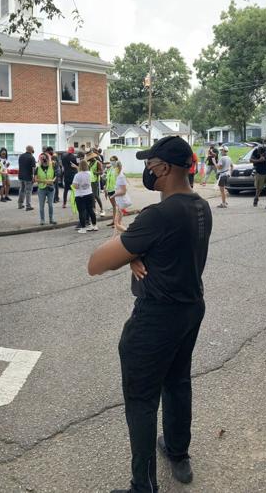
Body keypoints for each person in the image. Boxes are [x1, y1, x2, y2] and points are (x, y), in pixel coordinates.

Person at [87, 136, 212, 493]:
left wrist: (129, 250)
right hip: (190, 308)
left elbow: (96, 264)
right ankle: (177, 450)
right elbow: (173, 248)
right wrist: (137, 253)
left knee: (141, 401)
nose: (148, 171)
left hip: (156, 318)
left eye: (151, 165)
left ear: (166, 169)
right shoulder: (201, 206)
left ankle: (143, 486)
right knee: (177, 382)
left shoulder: (158, 215)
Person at [72, 159, 97, 233]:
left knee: (81, 212)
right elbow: (91, 181)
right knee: (91, 210)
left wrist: (75, 185)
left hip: (80, 195)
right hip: (89, 194)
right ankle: (94, 225)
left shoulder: (77, 175)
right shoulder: (89, 173)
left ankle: (83, 228)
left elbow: (75, 186)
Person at [34, 151, 57, 225]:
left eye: (44, 158)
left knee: (50, 205)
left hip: (50, 188)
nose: (43, 160)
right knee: (41, 206)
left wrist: (52, 180)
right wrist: (44, 181)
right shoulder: (38, 168)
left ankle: (51, 219)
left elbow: (55, 176)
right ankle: (42, 220)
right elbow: (35, 179)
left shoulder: (52, 166)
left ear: (48, 159)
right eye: (41, 158)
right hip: (41, 189)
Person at [109, 161, 131, 231]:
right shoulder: (118, 176)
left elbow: (123, 191)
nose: (113, 170)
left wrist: (113, 195)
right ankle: (115, 236)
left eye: (114, 168)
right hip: (119, 202)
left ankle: (128, 233)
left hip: (121, 201)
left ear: (117, 168)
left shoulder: (121, 177)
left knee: (117, 223)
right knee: (118, 223)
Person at [251, 146, 266, 210]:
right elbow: (251, 160)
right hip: (260, 172)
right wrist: (259, 160)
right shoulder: (256, 150)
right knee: (259, 188)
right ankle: (256, 197)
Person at [16, 145, 36, 210]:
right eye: (33, 149)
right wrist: (34, 176)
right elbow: (33, 168)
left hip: (21, 176)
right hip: (28, 177)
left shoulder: (21, 156)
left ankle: (20, 204)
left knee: (22, 190)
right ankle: (28, 206)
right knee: (28, 191)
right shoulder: (31, 157)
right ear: (31, 150)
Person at [87, 152, 105, 216]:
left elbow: (101, 172)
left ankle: (102, 209)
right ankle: (94, 209)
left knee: (96, 196)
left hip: (95, 181)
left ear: (92, 157)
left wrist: (95, 173)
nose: (88, 159)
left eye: (89, 158)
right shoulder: (90, 163)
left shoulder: (97, 162)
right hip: (90, 181)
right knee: (92, 196)